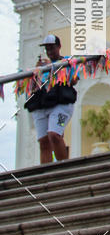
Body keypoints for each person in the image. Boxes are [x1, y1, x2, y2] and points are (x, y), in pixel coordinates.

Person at [24, 35, 78, 164]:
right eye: (47, 49)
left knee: (54, 135)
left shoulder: (67, 61)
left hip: (61, 104)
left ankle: (64, 169)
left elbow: (73, 80)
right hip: (42, 104)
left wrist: (54, 68)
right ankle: (46, 175)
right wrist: (37, 73)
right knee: (44, 142)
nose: (49, 52)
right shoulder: (41, 67)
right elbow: (33, 89)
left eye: (52, 48)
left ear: (59, 47)